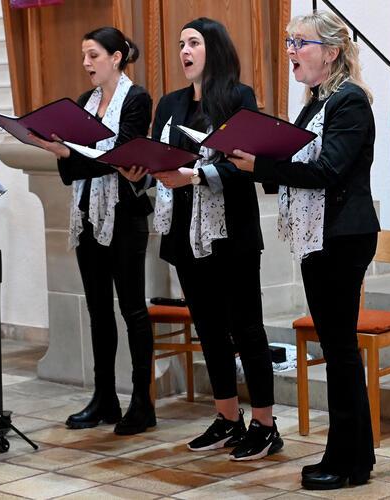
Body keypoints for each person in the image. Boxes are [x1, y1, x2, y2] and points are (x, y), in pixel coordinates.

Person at [229, 10, 380, 489]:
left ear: (331, 52)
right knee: (338, 350)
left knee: (339, 351)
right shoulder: (318, 100)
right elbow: (298, 158)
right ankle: (354, 457)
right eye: (289, 42)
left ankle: (348, 462)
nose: (291, 51)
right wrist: (254, 158)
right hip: (324, 234)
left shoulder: (348, 102)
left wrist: (262, 168)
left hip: (343, 235)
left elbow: (328, 171)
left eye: (300, 43)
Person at [148, 17, 282, 461]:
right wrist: (142, 171)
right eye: (181, 44)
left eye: (194, 43)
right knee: (208, 328)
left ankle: (265, 424)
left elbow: (246, 164)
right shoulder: (170, 104)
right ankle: (227, 417)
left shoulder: (238, 99)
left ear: (215, 50)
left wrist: (196, 174)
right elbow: (157, 157)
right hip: (186, 235)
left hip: (231, 233)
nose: (184, 51)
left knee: (246, 328)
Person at [28, 27, 156, 435]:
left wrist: (70, 153)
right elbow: (78, 167)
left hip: (124, 214)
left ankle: (142, 401)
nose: (86, 63)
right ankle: (105, 398)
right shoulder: (85, 102)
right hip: (87, 214)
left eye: (93, 55)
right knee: (98, 309)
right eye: (84, 56)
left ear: (116, 57)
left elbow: (123, 158)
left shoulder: (136, 99)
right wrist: (62, 152)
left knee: (132, 308)